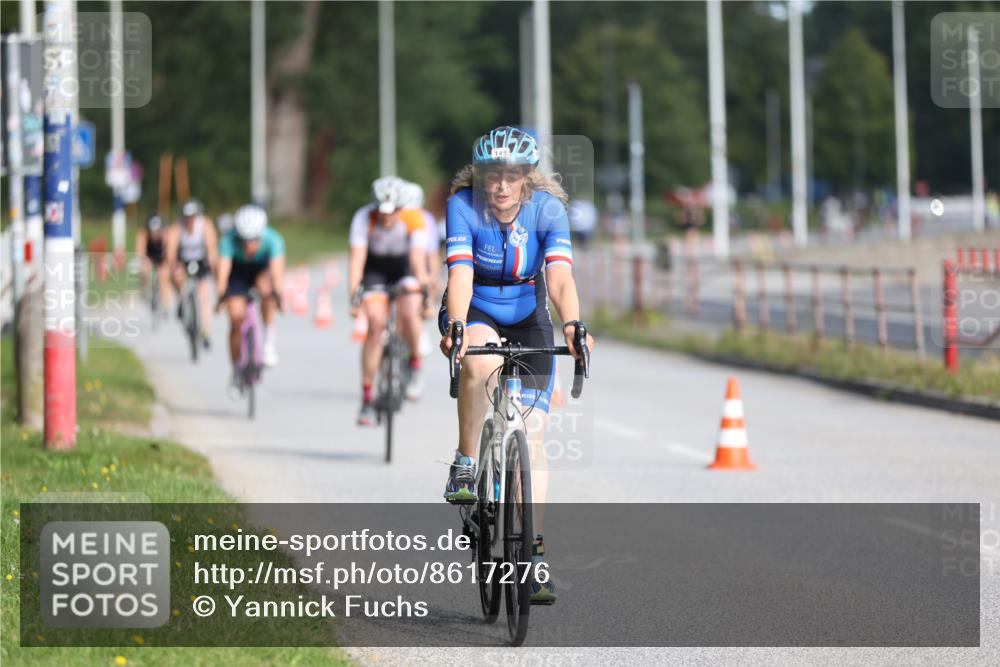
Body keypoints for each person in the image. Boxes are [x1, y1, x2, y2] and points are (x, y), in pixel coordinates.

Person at [438, 125, 593, 604]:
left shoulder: (548, 210)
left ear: (527, 176)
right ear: (480, 175)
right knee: (480, 364)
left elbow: (560, 278)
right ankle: (465, 462)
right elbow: (460, 274)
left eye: (511, 175)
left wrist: (572, 324)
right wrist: (458, 325)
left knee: (535, 435)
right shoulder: (463, 205)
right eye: (492, 175)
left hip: (529, 318)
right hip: (476, 308)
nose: (501, 186)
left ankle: (535, 552)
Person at [348, 176, 430, 426]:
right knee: (375, 326)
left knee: (410, 312)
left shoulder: (414, 218)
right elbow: (357, 260)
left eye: (392, 212)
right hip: (376, 269)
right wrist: (353, 295)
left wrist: (424, 289)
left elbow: (417, 260)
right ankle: (367, 397)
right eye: (381, 212)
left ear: (401, 208)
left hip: (404, 266)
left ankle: (414, 364)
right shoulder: (364, 218)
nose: (386, 218)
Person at [215, 204, 286, 378]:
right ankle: (236, 369)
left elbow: (277, 273)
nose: (248, 244)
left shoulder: (273, 240)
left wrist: (278, 297)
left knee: (268, 290)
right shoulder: (228, 241)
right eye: (244, 240)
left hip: (260, 270)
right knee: (236, 320)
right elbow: (222, 274)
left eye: (253, 239)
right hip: (237, 273)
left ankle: (268, 343)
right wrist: (221, 298)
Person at [166, 199, 218, 348]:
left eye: (193, 217)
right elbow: (171, 249)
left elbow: (211, 245)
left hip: (201, 261)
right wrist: (173, 265)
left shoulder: (205, 225)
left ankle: (205, 332)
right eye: (187, 218)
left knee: (204, 295)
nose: (190, 221)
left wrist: (212, 263)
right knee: (176, 277)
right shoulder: (177, 227)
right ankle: (181, 300)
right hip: (183, 261)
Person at [135, 213, 170, 313]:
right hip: (149, 256)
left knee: (164, 275)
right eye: (152, 231)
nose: (154, 234)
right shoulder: (143, 234)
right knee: (144, 269)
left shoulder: (166, 234)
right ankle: (144, 290)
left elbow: (169, 251)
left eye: (157, 231)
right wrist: (143, 261)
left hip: (161, 257)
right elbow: (140, 251)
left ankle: (165, 304)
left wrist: (167, 263)